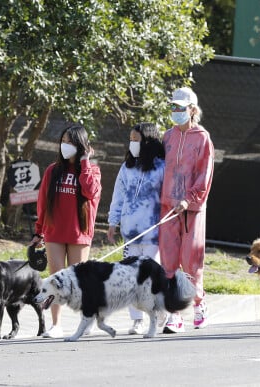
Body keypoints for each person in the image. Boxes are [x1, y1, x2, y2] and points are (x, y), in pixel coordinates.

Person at [31, 124, 102, 339]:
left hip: (79, 233)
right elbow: (43, 203)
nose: (65, 146)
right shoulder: (52, 170)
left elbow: (90, 192)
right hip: (54, 232)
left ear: (81, 146)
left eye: (70, 142)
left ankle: (87, 321)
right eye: (63, 141)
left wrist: (84, 162)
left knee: (80, 281)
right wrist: (38, 231)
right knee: (55, 280)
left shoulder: (92, 171)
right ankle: (55, 325)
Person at [158, 86, 214, 333]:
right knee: (169, 261)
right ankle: (174, 314)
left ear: (192, 109)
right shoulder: (167, 137)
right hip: (168, 208)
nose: (175, 111)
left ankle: (198, 303)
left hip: (191, 210)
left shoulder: (202, 138)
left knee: (191, 260)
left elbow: (204, 174)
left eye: (180, 107)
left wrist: (189, 199)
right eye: (173, 106)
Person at [107, 122, 165, 335]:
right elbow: (118, 196)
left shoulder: (162, 167)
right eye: (130, 139)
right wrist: (113, 222)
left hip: (153, 235)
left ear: (148, 141)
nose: (132, 143)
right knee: (131, 277)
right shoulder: (127, 167)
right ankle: (137, 320)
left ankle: (158, 312)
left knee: (150, 277)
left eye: (136, 139)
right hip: (130, 234)